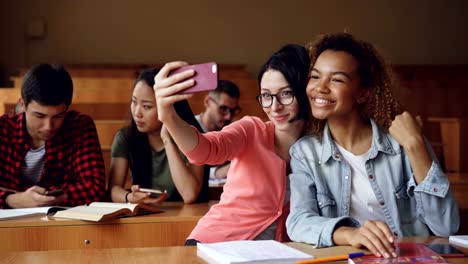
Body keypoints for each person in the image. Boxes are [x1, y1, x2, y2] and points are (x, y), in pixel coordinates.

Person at [286, 33, 460, 258]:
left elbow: (446, 226)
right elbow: (299, 222)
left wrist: (416, 145)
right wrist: (350, 234)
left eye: (336, 79)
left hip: (409, 259)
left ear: (363, 93)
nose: (320, 88)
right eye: (315, 76)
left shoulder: (404, 143)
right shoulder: (305, 153)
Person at [154, 44, 311, 245]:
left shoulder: (317, 147)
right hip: (215, 245)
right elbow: (206, 150)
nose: (275, 106)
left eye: (286, 93)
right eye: (266, 95)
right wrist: (168, 116)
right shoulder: (250, 130)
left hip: (270, 255)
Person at [0, 64, 106, 208]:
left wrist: (43, 198)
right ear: (22, 105)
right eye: (39, 115)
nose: (48, 126)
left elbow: (95, 187)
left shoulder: (79, 126)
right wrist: (13, 200)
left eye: (58, 116)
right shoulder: (3, 129)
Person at [108, 68, 208, 204]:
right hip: (146, 217)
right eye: (134, 102)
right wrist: (129, 197)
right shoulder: (125, 137)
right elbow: (113, 189)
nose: (137, 113)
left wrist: (167, 139)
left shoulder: (192, 136)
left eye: (147, 106)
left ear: (169, 106)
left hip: (186, 218)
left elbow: (189, 194)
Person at [194, 80, 241, 183]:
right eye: (223, 109)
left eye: (233, 111)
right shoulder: (190, 129)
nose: (228, 116)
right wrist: (217, 172)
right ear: (207, 101)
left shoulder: (231, 132)